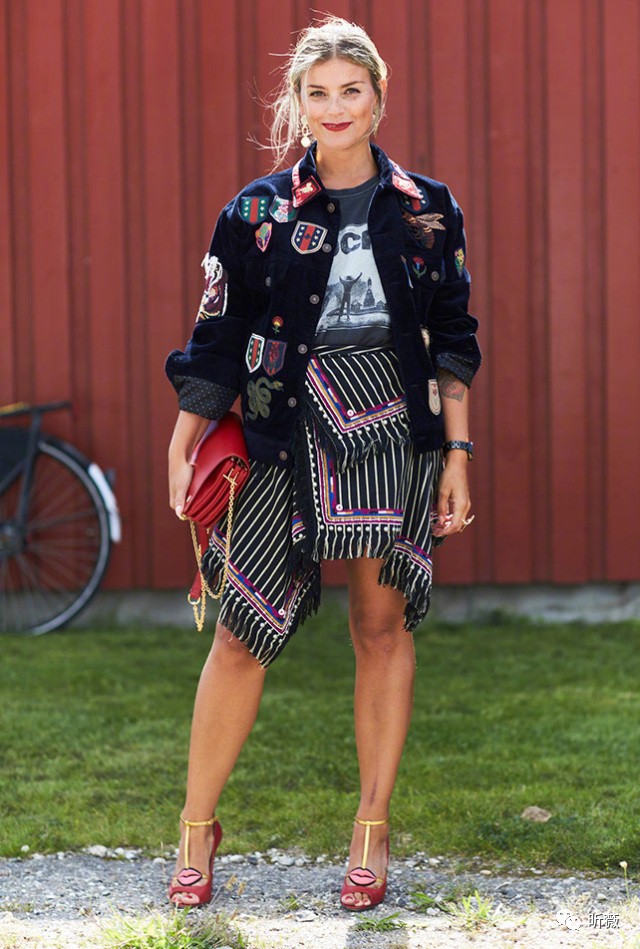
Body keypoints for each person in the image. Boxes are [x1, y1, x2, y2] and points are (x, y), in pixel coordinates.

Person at [165, 16, 481, 912]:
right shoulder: (256, 211)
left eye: (352, 90)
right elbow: (218, 334)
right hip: (280, 427)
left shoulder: (428, 208)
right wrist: (183, 440)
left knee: (379, 628)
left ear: (379, 97)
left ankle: (371, 829)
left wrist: (458, 453)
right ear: (297, 103)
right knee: (239, 632)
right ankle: (196, 827)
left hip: (393, 429)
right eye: (318, 92)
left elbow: (454, 336)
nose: (336, 107)